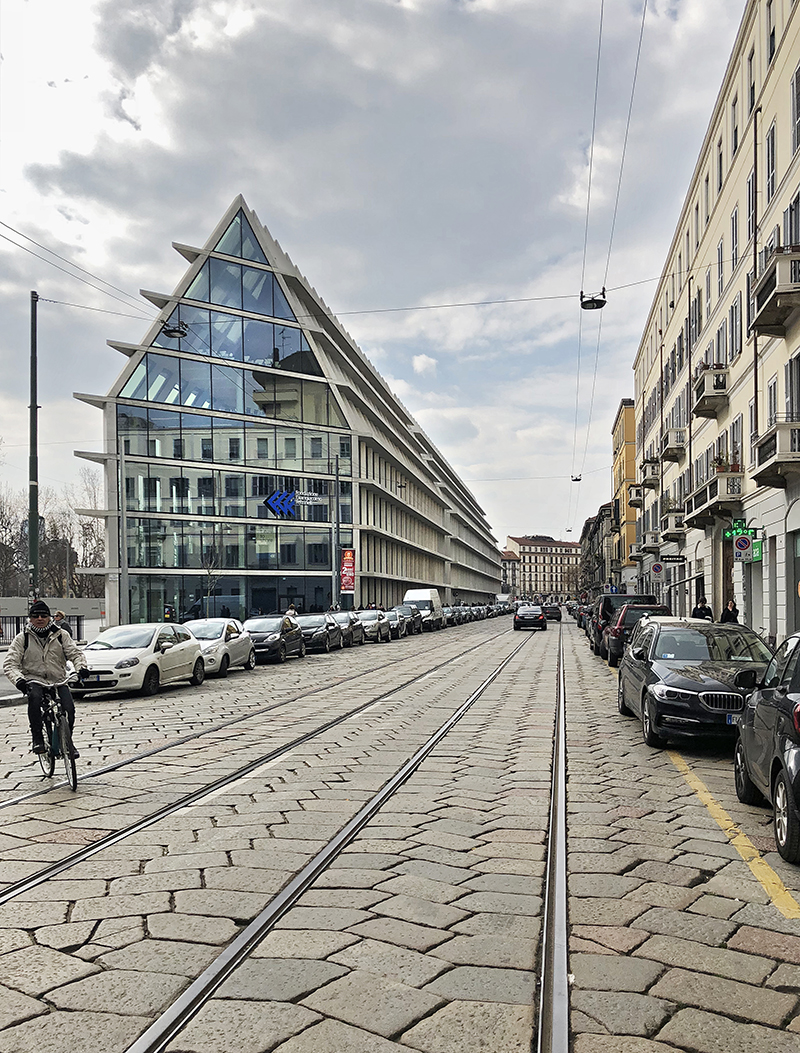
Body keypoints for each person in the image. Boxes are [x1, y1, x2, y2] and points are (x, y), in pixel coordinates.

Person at [3, 601, 88, 756]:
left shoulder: (62, 635)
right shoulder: (22, 638)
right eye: (36, 616)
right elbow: (10, 664)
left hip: (58, 679)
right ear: (30, 618)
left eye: (44, 615)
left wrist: (81, 668)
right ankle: (38, 739)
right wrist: (19, 680)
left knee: (69, 709)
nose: (40, 619)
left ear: (50, 617)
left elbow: (75, 654)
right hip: (34, 679)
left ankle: (67, 742)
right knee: (34, 698)